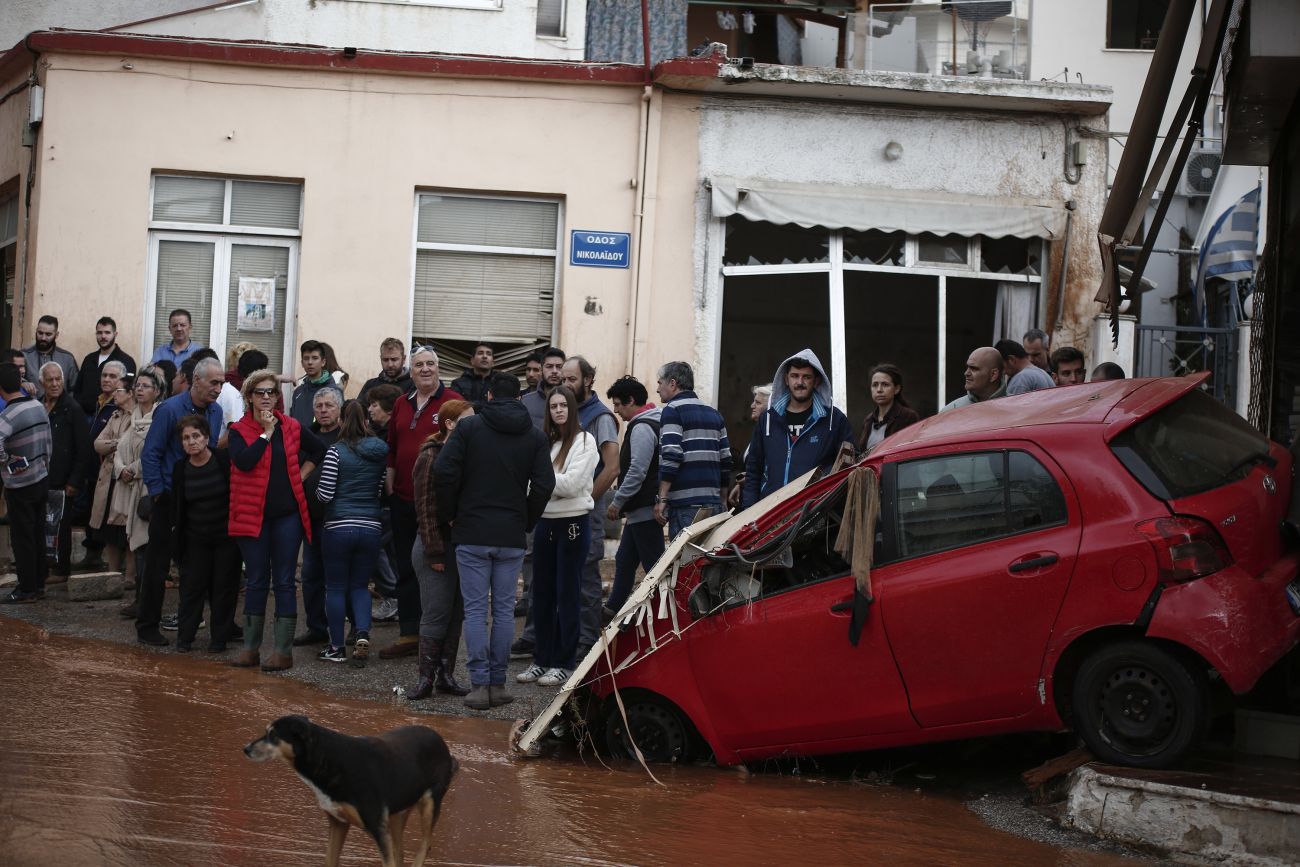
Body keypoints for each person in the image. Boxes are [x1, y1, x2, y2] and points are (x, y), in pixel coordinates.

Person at [435, 372, 554, 710]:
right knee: (503, 611)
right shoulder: (534, 436)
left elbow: (444, 472)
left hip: (472, 532)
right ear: (519, 398)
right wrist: (526, 519)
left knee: (475, 611)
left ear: (487, 397)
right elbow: (544, 485)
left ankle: (478, 685)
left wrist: (452, 514)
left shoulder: (469, 429)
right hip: (511, 535)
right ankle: (498, 684)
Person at [228, 368, 324, 670]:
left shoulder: (292, 426)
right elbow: (244, 462)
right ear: (249, 397)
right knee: (256, 580)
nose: (267, 397)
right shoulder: (238, 430)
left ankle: (283, 652)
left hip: (287, 516)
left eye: (271, 392)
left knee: (284, 581)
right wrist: (266, 434)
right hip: (251, 516)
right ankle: (251, 649)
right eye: (261, 392)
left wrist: (302, 473)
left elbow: (319, 449)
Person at [382, 346, 463, 659]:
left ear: (438, 368)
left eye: (430, 364)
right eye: (419, 365)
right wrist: (389, 475)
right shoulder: (402, 402)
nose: (425, 369)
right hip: (402, 497)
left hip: (436, 503)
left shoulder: (452, 402)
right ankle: (409, 633)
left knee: (435, 568)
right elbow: (392, 444)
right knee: (404, 565)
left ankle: (436, 636)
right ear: (410, 370)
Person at [137, 356, 224, 646]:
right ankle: (147, 626)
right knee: (157, 565)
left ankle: (214, 626)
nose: (218, 388)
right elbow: (150, 453)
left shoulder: (216, 411)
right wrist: (159, 493)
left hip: (199, 502)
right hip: (168, 498)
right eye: (214, 382)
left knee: (201, 565)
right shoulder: (170, 409)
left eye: (221, 383)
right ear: (196, 380)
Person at [516, 385, 597, 688]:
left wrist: (539, 484)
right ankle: (542, 659)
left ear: (572, 408)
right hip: (546, 524)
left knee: (567, 594)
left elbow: (573, 485)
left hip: (573, 524)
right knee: (542, 594)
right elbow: (541, 484)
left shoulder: (585, 441)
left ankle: (564, 662)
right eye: (554, 406)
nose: (559, 410)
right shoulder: (547, 443)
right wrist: (543, 485)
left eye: (564, 405)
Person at [406, 398, 474, 699]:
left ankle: (446, 674)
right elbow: (424, 509)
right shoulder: (431, 455)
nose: (475, 426)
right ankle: (426, 678)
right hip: (434, 547)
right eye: (468, 420)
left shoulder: (467, 454)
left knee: (456, 613)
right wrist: (434, 552)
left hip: (459, 548)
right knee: (435, 613)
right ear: (450, 424)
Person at [314, 401, 388, 665]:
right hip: (370, 527)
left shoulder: (336, 451)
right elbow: (380, 490)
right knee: (360, 586)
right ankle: (362, 633)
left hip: (338, 527)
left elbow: (325, 493)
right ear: (367, 421)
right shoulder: (380, 452)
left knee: (335, 588)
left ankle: (335, 647)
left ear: (343, 421)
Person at [558, 355, 619, 657]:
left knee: (585, 579)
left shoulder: (600, 417)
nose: (566, 384)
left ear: (588, 380)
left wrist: (585, 500)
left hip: (585, 510)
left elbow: (611, 468)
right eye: (563, 379)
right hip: (559, 509)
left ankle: (587, 645)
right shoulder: (563, 411)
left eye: (572, 379)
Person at [742, 350, 854, 509]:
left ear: (816, 381)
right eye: (795, 376)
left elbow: (848, 469)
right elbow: (754, 470)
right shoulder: (768, 419)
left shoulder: (834, 420)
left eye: (806, 377)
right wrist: (749, 513)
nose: (800, 382)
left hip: (815, 517)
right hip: (770, 515)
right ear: (786, 379)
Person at [170, 414, 239, 653]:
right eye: (186, 438)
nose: (191, 442)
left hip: (225, 539)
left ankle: (219, 639)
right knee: (191, 589)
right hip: (195, 539)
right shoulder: (181, 469)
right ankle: (184, 638)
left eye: (196, 436)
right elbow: (179, 507)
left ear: (207, 437)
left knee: (223, 589)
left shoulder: (222, 460)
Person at [603, 375, 663, 617]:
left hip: (644, 508)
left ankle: (662, 613)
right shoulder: (650, 423)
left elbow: (637, 470)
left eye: (618, 404)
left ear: (630, 400)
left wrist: (618, 502)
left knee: (654, 567)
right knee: (625, 560)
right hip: (640, 509)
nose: (616, 411)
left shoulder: (642, 427)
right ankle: (612, 609)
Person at [653, 361, 730, 540]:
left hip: (685, 506)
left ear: (672, 383)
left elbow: (672, 455)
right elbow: (726, 459)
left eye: (659, 383)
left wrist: (662, 499)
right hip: (713, 503)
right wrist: (723, 500)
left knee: (686, 563)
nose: (658, 389)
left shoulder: (672, 411)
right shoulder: (713, 413)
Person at [110, 366, 165, 617]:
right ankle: (139, 601)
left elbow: (156, 454)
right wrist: (121, 469)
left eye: (145, 386)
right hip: (130, 486)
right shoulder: (132, 419)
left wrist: (133, 469)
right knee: (138, 546)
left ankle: (146, 602)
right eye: (138, 386)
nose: (139, 390)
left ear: (157, 391)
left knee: (147, 547)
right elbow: (119, 450)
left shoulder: (160, 418)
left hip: (148, 488)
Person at [295, 385, 345, 647]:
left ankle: (342, 630)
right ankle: (316, 627)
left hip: (339, 518)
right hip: (310, 518)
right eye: (319, 406)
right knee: (311, 574)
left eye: (329, 406)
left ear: (339, 408)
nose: (323, 410)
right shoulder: (307, 436)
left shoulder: (347, 436)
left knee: (337, 576)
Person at [0, 362, 53, 604]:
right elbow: (48, 443)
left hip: (20, 484)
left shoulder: (8, 416)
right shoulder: (38, 406)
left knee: (22, 538)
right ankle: (39, 583)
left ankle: (27, 588)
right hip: (41, 477)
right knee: (37, 532)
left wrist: (9, 463)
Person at [75, 359, 130, 571]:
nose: (107, 380)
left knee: (114, 520)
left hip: (112, 473)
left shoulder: (121, 407)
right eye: (104, 375)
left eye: (113, 376)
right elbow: (96, 441)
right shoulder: (100, 401)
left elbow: (119, 442)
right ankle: (94, 555)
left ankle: (120, 567)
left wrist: (107, 445)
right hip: (93, 471)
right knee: (94, 515)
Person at [40, 362, 92, 581]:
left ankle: (61, 570)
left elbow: (83, 449)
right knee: (42, 524)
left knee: (61, 526)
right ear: (42, 382)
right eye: (50, 380)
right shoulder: (38, 406)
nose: (54, 384)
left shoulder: (73, 408)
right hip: (40, 478)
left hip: (63, 481)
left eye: (58, 379)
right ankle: (43, 565)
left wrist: (74, 481)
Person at [89, 375, 136, 578]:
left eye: (118, 391)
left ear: (129, 394)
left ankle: (130, 577)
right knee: (108, 529)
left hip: (126, 478)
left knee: (127, 530)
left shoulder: (138, 416)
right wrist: (118, 443)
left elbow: (132, 443)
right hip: (108, 478)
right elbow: (98, 443)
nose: (113, 394)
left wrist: (114, 444)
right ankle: (111, 574)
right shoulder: (114, 415)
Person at [74, 316, 137, 416]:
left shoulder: (126, 361)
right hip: (83, 416)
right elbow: (77, 389)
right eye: (99, 333)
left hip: (111, 417)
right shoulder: (89, 359)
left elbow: (127, 392)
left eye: (107, 332)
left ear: (115, 334)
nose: (103, 336)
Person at [858, 363, 921, 453]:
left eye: (885, 384)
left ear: (897, 389)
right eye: (875, 385)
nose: (879, 390)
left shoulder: (908, 417)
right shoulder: (868, 421)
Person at [727, 384, 772, 508]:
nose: (752, 406)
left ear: (770, 406)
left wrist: (751, 479)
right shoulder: (757, 432)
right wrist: (738, 485)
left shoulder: (773, 435)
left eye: (757, 403)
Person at [23, 315, 78, 397]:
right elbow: (13, 381)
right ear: (36, 331)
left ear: (56, 335)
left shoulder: (67, 359)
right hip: (31, 408)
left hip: (60, 408)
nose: (43, 338)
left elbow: (75, 389)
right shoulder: (24, 356)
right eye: (40, 333)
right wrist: (23, 383)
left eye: (48, 334)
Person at [941, 347, 1007, 412]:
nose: (966, 373)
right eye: (967, 367)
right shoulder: (951, 411)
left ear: (993, 374)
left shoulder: (1015, 408)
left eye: (974, 368)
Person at [290, 340, 336, 429]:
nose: (310, 362)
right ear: (302, 363)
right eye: (306, 358)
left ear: (323, 362)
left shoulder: (333, 391)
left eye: (314, 358)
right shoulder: (298, 392)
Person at [359, 337, 413, 405]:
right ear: (380, 359)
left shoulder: (413, 386)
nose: (390, 365)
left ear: (404, 359)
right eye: (385, 360)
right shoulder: (370, 385)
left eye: (394, 359)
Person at [522, 346, 565, 428]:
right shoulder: (525, 402)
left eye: (559, 367)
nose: (554, 371)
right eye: (549, 366)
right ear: (541, 370)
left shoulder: (572, 401)